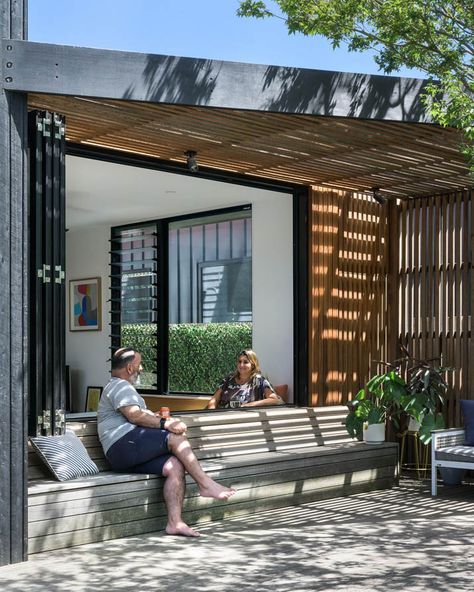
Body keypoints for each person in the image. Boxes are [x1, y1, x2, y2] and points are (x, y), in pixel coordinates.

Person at [97, 347, 236, 538]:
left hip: (127, 449)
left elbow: (137, 416)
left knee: (175, 465)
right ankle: (206, 484)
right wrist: (165, 423)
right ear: (130, 368)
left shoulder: (119, 388)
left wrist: (155, 418)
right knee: (175, 438)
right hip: (121, 446)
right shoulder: (120, 386)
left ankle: (175, 523)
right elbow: (134, 417)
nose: (141, 368)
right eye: (139, 365)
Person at [206, 349, 284, 409]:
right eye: (239, 361)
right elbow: (214, 400)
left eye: (245, 362)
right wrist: (211, 414)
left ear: (253, 365)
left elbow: (274, 399)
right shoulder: (229, 379)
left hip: (244, 420)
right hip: (221, 417)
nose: (241, 365)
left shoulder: (259, 380)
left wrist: (250, 405)